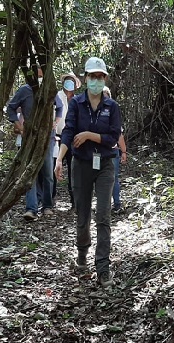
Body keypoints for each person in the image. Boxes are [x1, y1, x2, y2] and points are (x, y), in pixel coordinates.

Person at [54, 57, 122, 288]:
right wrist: (60, 159)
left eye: (100, 77)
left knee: (103, 215)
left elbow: (114, 137)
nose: (96, 80)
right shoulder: (76, 104)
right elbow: (69, 130)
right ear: (85, 79)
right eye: (92, 76)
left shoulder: (112, 106)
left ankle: (103, 267)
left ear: (104, 79)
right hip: (81, 164)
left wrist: (90, 136)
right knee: (82, 213)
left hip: (104, 164)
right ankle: (82, 252)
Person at [7, 66, 63, 221]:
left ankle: (47, 206)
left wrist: (55, 123)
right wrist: (20, 127)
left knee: (47, 174)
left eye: (41, 75)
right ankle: (31, 209)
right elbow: (10, 109)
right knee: (29, 173)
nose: (38, 78)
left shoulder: (50, 90)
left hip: (48, 138)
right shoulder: (24, 91)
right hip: (29, 138)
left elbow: (60, 108)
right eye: (36, 75)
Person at [55, 72, 81, 208]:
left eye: (72, 80)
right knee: (54, 166)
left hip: (73, 139)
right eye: (67, 80)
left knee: (73, 169)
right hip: (57, 137)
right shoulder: (57, 96)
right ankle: (50, 200)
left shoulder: (77, 100)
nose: (69, 82)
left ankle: (74, 200)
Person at [102, 86, 127, 213]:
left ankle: (116, 204)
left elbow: (119, 135)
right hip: (98, 153)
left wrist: (123, 151)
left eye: (106, 95)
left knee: (113, 178)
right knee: (101, 179)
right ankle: (104, 205)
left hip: (112, 152)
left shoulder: (113, 114)